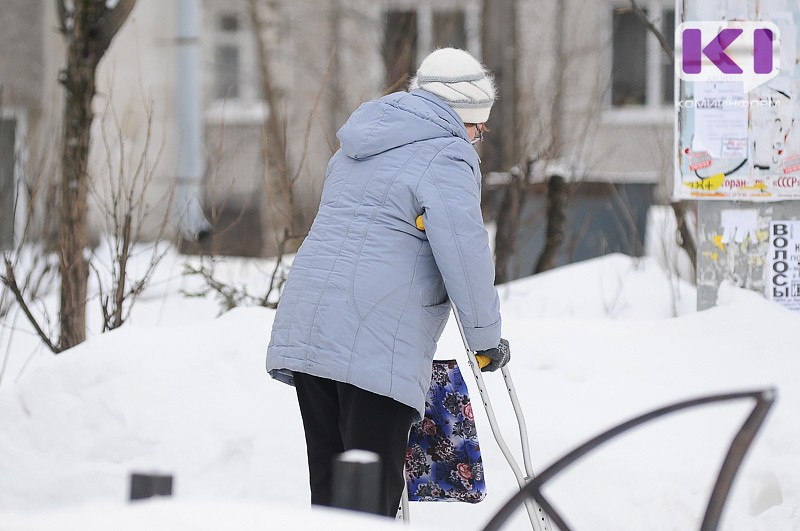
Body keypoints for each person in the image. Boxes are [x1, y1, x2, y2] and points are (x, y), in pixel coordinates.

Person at [265, 47, 510, 517]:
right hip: (374, 341)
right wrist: (487, 340)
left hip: (311, 330)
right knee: (370, 502)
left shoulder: (361, 142)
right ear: (464, 116)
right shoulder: (447, 153)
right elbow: (465, 252)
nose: (477, 137)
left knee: (335, 496)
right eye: (479, 126)